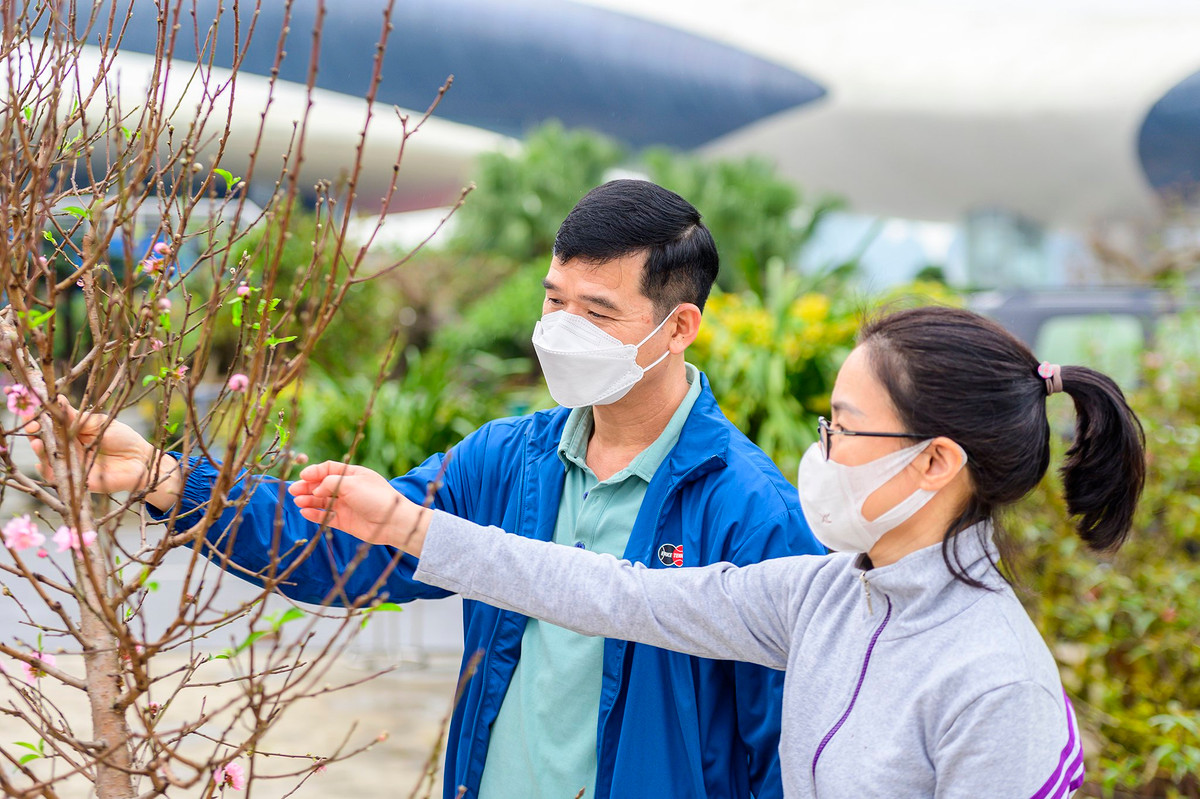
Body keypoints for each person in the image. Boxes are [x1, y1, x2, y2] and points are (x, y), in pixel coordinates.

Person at [42, 180, 823, 799]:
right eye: (554, 299)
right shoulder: (508, 460)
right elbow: (346, 542)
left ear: (678, 326)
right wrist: (166, 478)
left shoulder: (749, 511)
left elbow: (782, 750)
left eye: (596, 311)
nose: (560, 327)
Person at [287, 305, 1146, 798]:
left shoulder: (994, 681)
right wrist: (407, 524)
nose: (821, 448)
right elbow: (614, 594)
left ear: (935, 461)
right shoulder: (823, 596)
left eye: (843, 427)